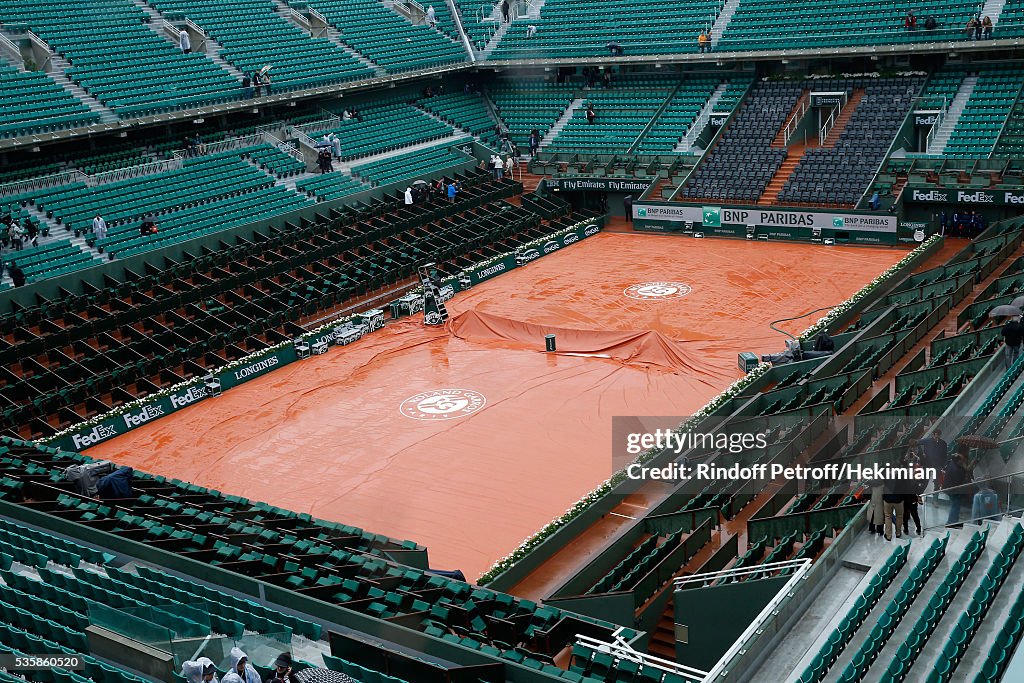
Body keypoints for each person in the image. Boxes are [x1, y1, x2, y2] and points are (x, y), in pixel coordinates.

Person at [943, 446, 973, 525]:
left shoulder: (954, 461)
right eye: (962, 460)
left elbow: (965, 469)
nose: (963, 461)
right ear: (959, 461)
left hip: (948, 487)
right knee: (955, 505)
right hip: (952, 489)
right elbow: (960, 480)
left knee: (955, 504)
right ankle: (951, 522)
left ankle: (953, 521)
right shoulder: (957, 470)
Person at [902, 452, 926, 536]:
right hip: (912, 500)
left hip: (905, 501)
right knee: (915, 515)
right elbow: (918, 490)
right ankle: (918, 529)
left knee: (905, 516)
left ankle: (906, 529)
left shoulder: (903, 482)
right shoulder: (914, 482)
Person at [882, 472, 905, 541]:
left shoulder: (886, 476)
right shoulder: (901, 478)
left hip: (887, 500)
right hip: (898, 500)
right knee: (899, 516)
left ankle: (888, 535)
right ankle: (898, 533)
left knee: (888, 516)